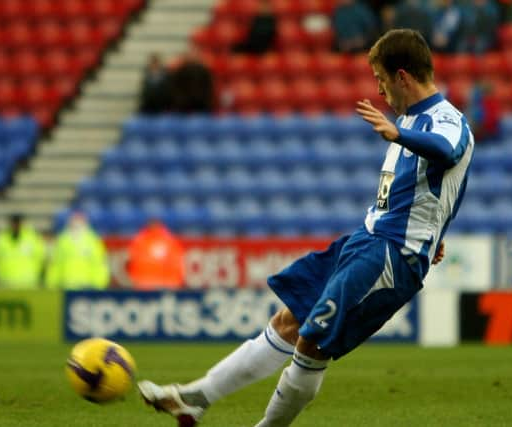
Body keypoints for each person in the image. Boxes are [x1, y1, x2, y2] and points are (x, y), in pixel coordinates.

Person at [137, 29, 475, 426]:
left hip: (391, 254)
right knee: (288, 320)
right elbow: (437, 187)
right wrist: (437, 230)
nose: (381, 92)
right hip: (365, 239)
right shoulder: (411, 121)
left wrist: (400, 138)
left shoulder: (445, 118)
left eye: (382, 81)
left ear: (403, 77)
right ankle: (196, 397)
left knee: (313, 342)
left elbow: (449, 153)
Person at [45, 212, 110, 290]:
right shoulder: (62, 240)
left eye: (79, 221)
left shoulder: (93, 241)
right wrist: (51, 284)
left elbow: (100, 264)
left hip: (88, 286)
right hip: (65, 285)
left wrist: (99, 285)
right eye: (74, 221)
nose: (77, 224)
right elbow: (55, 264)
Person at [0, 214, 46, 288]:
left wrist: (36, 274)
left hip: (28, 282)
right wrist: (1, 276)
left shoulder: (32, 239)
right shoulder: (1, 240)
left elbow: (40, 258)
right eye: (14, 223)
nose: (15, 226)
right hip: (7, 281)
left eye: (17, 223)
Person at [127, 220, 185, 289]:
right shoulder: (139, 241)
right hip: (143, 286)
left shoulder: (171, 241)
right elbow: (132, 265)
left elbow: (177, 265)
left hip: (167, 286)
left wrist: (173, 284)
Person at [167, 46, 215, 113]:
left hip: (201, 102)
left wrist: (204, 99)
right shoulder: (181, 71)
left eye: (195, 55)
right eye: (192, 55)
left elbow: (208, 86)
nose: (193, 57)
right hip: (184, 104)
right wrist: (181, 100)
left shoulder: (204, 71)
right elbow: (176, 87)